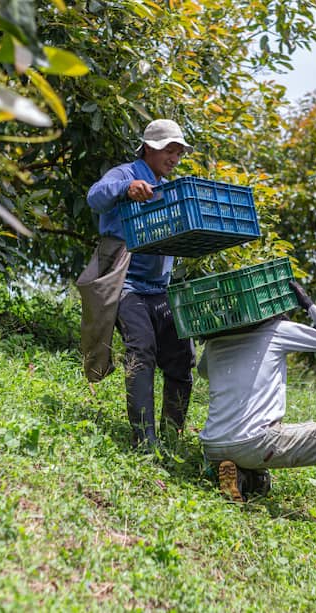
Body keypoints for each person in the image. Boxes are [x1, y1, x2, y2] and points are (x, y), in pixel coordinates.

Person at [196, 281, 316, 550]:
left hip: (212, 444)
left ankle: (241, 478)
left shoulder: (216, 340)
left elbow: (204, 372)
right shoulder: (276, 330)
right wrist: (308, 305)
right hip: (256, 442)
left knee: (262, 482)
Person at [86, 119, 195, 449]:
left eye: (178, 152)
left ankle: (172, 434)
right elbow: (94, 197)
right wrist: (125, 189)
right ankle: (143, 438)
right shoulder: (125, 174)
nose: (174, 158)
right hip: (127, 284)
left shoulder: (167, 187)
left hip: (158, 288)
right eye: (169, 150)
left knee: (181, 354)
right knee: (142, 348)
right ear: (149, 147)